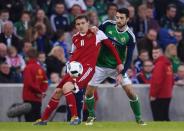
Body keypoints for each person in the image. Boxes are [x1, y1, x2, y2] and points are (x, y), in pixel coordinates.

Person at [34, 14, 123, 125]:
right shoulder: (75, 37)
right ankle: (43, 120)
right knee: (57, 92)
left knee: (68, 88)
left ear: (88, 23)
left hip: (87, 69)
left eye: (83, 23)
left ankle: (75, 118)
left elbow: (111, 47)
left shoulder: (97, 33)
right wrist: (69, 66)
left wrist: (119, 63)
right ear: (75, 26)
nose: (80, 26)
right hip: (74, 69)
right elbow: (74, 54)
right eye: (78, 24)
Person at [85, 8, 146, 125]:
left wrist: (121, 74)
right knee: (88, 93)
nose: (118, 20)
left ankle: (139, 119)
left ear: (127, 19)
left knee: (131, 92)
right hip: (99, 65)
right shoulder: (107, 24)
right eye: (117, 17)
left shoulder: (130, 36)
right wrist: (93, 30)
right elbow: (95, 35)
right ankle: (91, 116)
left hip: (116, 67)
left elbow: (128, 59)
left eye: (121, 18)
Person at [22, 48, 48, 122]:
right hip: (38, 98)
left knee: (29, 121)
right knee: (37, 119)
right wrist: (42, 92)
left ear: (27, 57)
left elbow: (29, 83)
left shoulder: (27, 68)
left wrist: (39, 92)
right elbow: (45, 82)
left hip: (29, 97)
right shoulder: (40, 68)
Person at [150, 46, 174, 121]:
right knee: (165, 118)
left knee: (158, 119)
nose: (154, 54)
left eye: (157, 52)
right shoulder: (167, 64)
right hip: (167, 95)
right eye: (153, 52)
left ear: (161, 53)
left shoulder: (159, 64)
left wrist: (153, 95)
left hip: (159, 96)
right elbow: (172, 80)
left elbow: (157, 81)